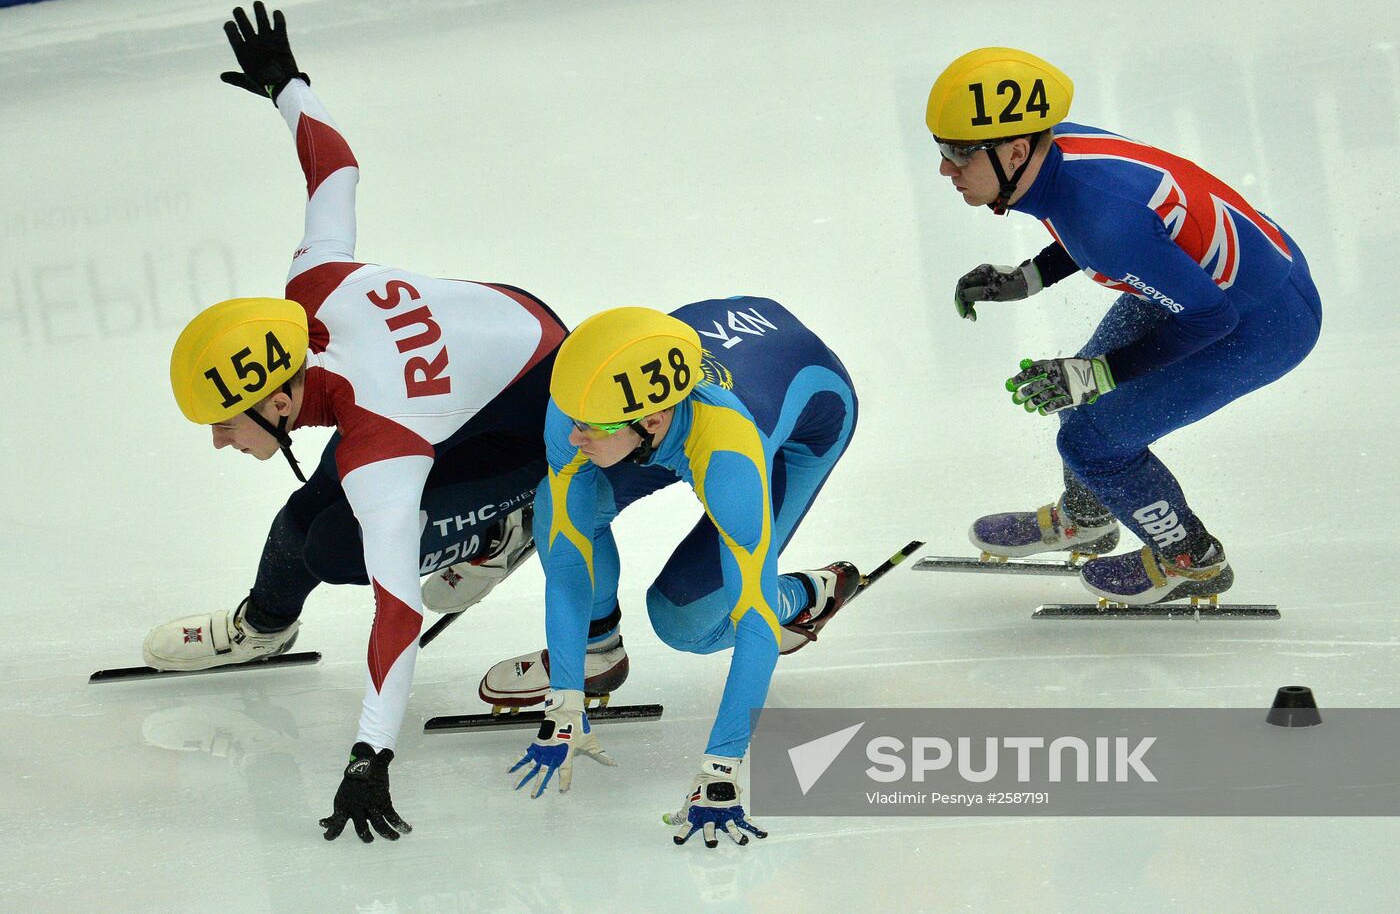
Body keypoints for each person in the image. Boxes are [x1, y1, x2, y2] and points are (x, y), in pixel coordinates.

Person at [145, 2, 566, 842]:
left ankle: (509, 525)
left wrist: (371, 751)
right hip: (494, 343)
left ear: (276, 400)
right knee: (302, 517)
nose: (220, 440)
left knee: (340, 545)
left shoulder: (380, 449)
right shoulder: (312, 287)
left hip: (533, 419)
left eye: (224, 422)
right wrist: (286, 88)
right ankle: (264, 626)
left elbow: (399, 612)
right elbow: (334, 171)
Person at [925, 47, 1322, 605]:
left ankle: (1192, 560)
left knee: (1090, 440)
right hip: (1221, 278)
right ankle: (1089, 514)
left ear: (1014, 151)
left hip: (1258, 324)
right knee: (1077, 397)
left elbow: (1203, 311)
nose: (945, 169)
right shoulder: (1056, 151)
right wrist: (1029, 277)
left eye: (958, 153)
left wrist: (1097, 374)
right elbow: (1112, 226)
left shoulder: (1104, 220)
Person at [499, 300, 860, 848]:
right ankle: (599, 645)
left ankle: (807, 594)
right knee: (557, 508)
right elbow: (569, 556)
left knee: (687, 622)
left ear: (652, 420)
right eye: (572, 419)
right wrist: (565, 696)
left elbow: (753, 621)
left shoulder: (729, 452)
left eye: (590, 428)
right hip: (705, 379)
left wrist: (720, 771)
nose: (573, 436)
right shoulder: (577, 405)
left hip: (804, 416)